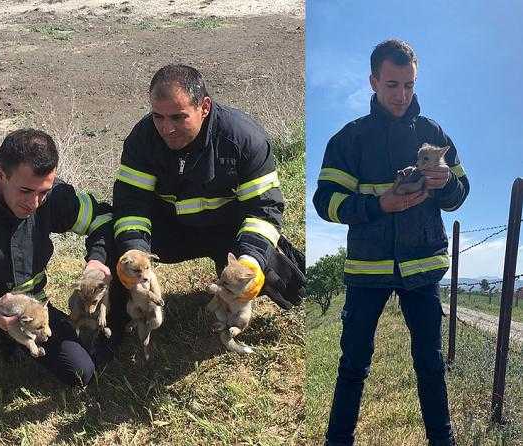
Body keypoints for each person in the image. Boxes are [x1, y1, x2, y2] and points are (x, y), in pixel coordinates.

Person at [312, 39, 469, 445]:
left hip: (422, 269)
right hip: (367, 271)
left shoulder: (435, 133)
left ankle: (443, 440)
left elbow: (461, 191)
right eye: (392, 85)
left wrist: (447, 183)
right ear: (373, 81)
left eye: (410, 86)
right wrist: (379, 204)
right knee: (353, 366)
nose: (402, 96)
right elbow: (325, 202)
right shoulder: (349, 139)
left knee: (431, 364)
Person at [109, 64, 305, 343]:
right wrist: (135, 256)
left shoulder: (244, 138)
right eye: (158, 117)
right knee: (113, 237)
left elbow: (264, 210)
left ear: (205, 107)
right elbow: (130, 207)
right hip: (170, 231)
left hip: (226, 232)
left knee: (275, 273)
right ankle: (116, 324)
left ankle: (275, 275)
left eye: (178, 117)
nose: (167, 128)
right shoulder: (141, 139)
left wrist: (248, 263)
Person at [0, 128, 113, 411]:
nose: (34, 203)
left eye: (43, 193)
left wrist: (97, 260)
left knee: (80, 371)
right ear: (1, 175)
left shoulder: (51, 196)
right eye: (25, 191)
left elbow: (104, 218)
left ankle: (12, 343)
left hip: (32, 311)